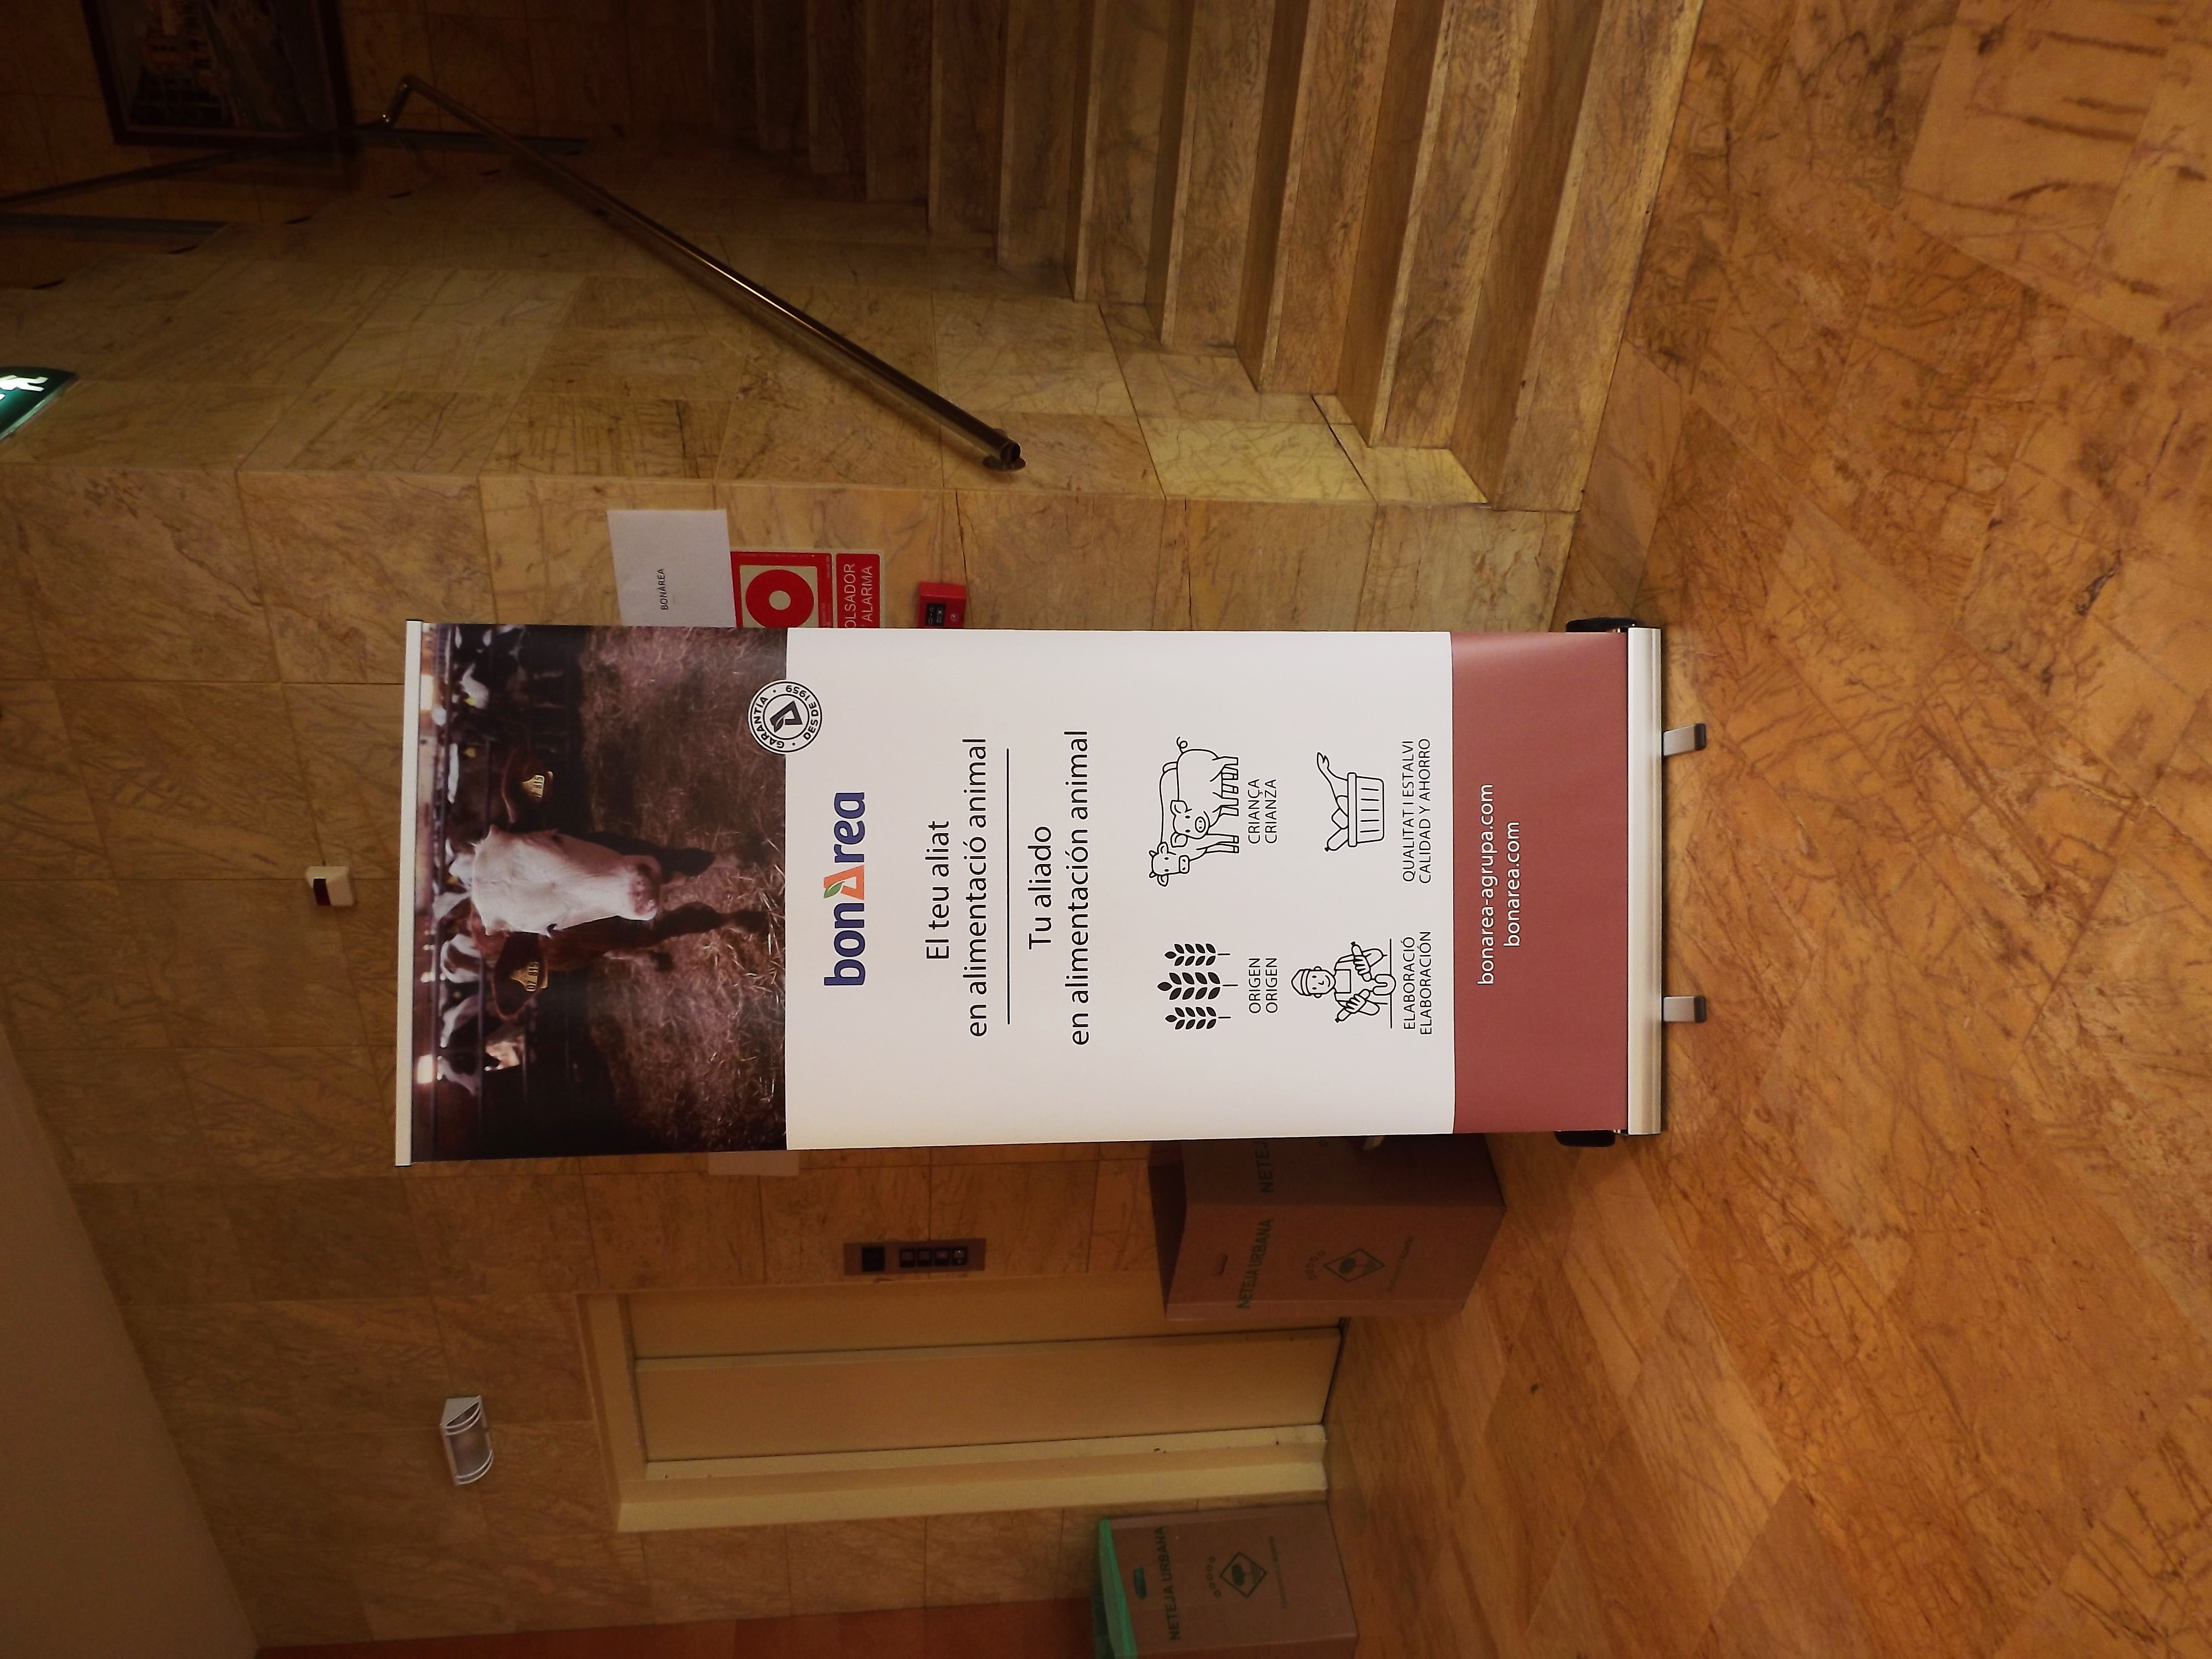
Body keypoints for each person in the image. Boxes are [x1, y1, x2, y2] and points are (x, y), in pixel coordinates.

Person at [1292, 943, 1395, 1021]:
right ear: (1318, 994)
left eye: (1315, 977)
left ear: (1318, 969)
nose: (1321, 983)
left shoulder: (1342, 964)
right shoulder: (1342, 999)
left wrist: (1366, 961)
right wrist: (1361, 1006)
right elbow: (1375, 1010)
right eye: (1315, 988)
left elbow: (1378, 953)